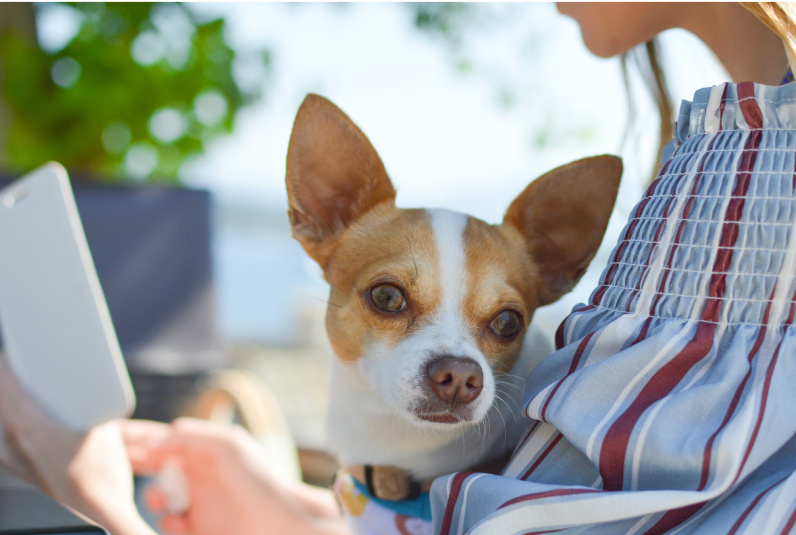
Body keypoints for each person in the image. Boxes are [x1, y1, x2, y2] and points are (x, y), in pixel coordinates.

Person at [2, 2, 795, 534]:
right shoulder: (711, 160)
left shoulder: (767, 183)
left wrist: (102, 509)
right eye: (392, 298)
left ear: (555, 270)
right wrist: (299, 511)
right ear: (321, 218)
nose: (458, 366)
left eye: (501, 323)